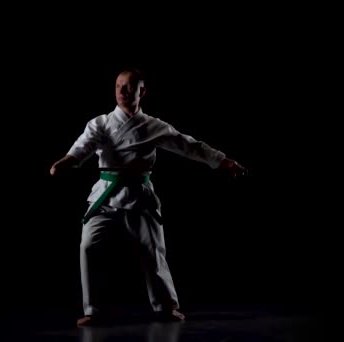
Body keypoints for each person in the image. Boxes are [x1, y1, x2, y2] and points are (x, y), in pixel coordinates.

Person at [49, 68, 246, 326]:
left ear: (142, 91)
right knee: (88, 247)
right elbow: (83, 145)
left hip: (139, 196)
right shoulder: (100, 124)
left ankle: (166, 307)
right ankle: (92, 311)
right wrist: (68, 160)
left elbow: (189, 145)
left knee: (153, 251)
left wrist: (222, 161)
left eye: (129, 87)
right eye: (118, 86)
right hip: (105, 196)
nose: (122, 91)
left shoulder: (153, 126)